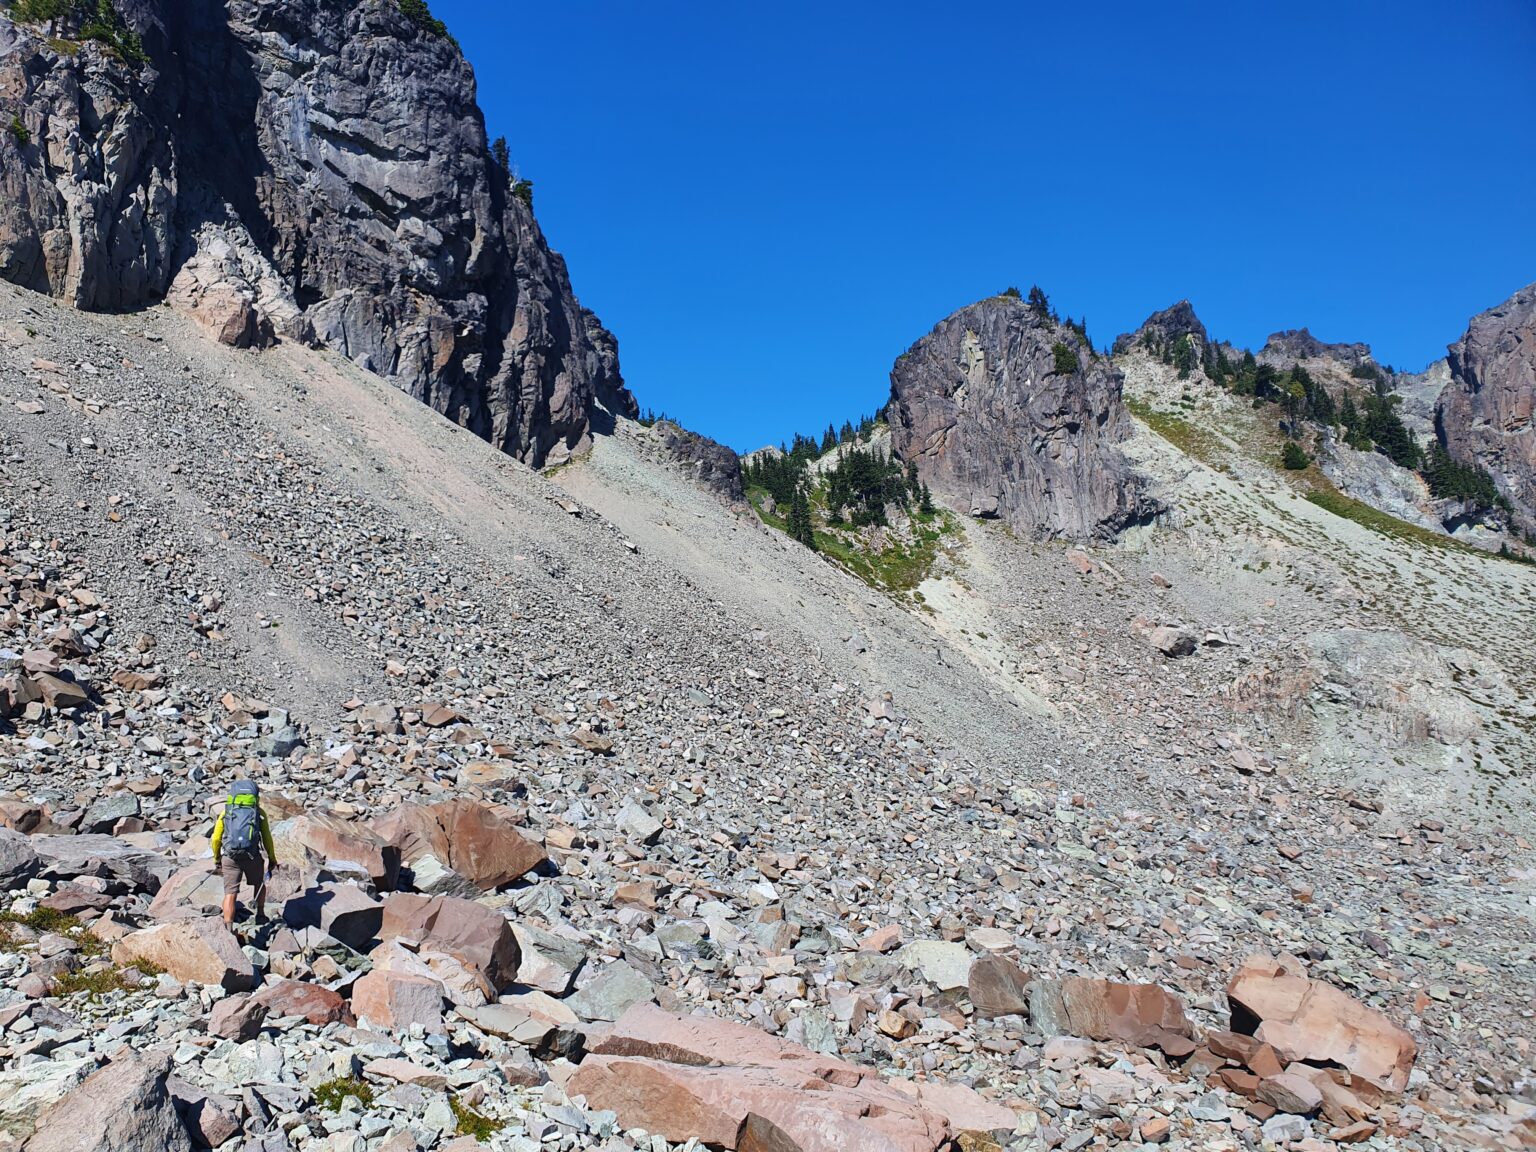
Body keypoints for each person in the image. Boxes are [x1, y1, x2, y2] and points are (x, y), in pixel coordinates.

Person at [210, 779, 277, 927]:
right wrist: (272, 859)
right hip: (252, 856)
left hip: (230, 857)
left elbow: (215, 838)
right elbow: (267, 838)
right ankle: (260, 914)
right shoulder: (259, 813)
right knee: (259, 883)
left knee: (230, 893)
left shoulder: (226, 812)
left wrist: (217, 858)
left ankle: (228, 928)